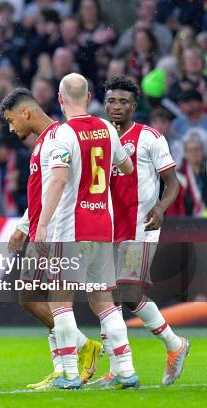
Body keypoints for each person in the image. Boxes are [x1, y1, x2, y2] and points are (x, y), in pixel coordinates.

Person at [36, 73, 137, 389]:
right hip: (102, 226)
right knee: (103, 300)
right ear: (90, 96)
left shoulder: (62, 135)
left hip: (70, 227)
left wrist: (41, 224)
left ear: (60, 98)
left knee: (59, 300)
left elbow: (59, 179)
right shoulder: (107, 129)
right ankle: (125, 371)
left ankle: (68, 374)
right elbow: (127, 167)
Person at [0, 88, 101, 389]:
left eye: (11, 120)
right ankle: (74, 354)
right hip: (43, 228)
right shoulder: (45, 142)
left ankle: (71, 361)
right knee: (31, 296)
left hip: (56, 230)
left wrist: (35, 227)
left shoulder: (58, 139)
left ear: (26, 113)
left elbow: (58, 186)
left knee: (39, 298)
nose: (11, 127)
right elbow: (41, 193)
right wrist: (23, 225)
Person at [95, 76, 189, 386]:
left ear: (134, 105)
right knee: (107, 297)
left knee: (128, 292)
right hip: (106, 229)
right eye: (111, 101)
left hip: (140, 227)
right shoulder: (99, 138)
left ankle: (174, 345)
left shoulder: (150, 137)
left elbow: (173, 183)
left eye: (123, 101)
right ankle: (118, 366)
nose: (116, 106)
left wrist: (161, 208)